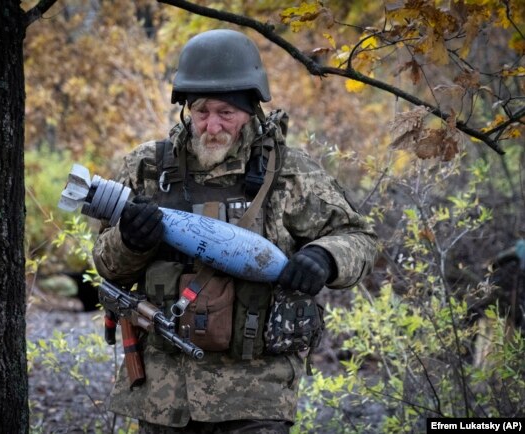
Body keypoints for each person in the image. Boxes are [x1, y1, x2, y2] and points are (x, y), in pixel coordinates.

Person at [92, 28, 377, 434]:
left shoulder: (288, 173)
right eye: (202, 111)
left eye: (226, 112)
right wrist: (129, 242)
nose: (212, 126)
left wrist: (324, 258)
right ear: (186, 107)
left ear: (252, 110)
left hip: (255, 391)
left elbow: (359, 239)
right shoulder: (146, 168)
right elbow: (105, 265)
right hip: (164, 392)